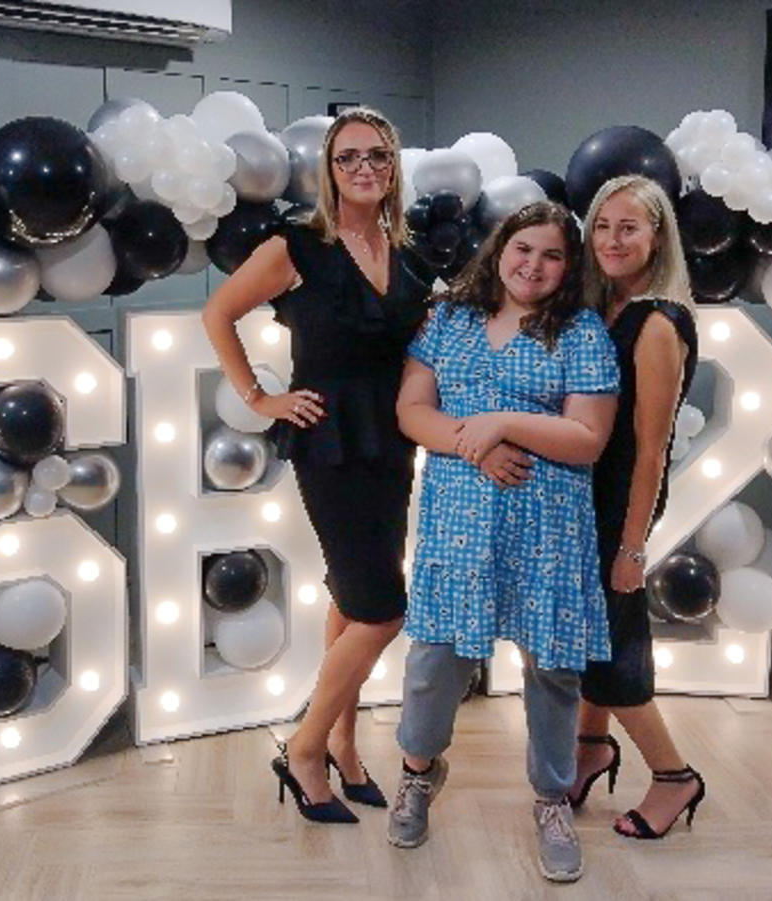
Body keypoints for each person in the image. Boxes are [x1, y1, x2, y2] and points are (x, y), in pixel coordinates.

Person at [202, 107, 431, 824]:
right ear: (329, 171)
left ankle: (344, 742)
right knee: (381, 609)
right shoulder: (297, 245)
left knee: (349, 597)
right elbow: (219, 313)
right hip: (330, 444)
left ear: (394, 170)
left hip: (391, 444)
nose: (365, 168)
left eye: (378, 157)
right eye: (349, 157)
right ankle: (303, 747)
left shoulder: (410, 253)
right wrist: (259, 397)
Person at [387, 202, 619, 883]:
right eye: (524, 248)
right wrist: (477, 444)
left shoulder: (579, 333)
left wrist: (500, 422)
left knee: (551, 668)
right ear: (499, 249)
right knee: (435, 660)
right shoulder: (450, 322)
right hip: (457, 523)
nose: (534, 265)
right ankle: (418, 772)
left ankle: (552, 797)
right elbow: (411, 410)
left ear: (568, 267)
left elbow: (587, 438)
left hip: (548, 527)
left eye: (552, 255)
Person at [567, 174, 704, 840]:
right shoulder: (606, 308)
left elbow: (651, 451)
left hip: (621, 502)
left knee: (617, 645)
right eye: (602, 226)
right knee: (593, 634)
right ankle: (591, 747)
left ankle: (674, 775)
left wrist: (631, 546)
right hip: (587, 496)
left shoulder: (656, 321)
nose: (613, 240)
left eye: (630, 227)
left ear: (657, 237)